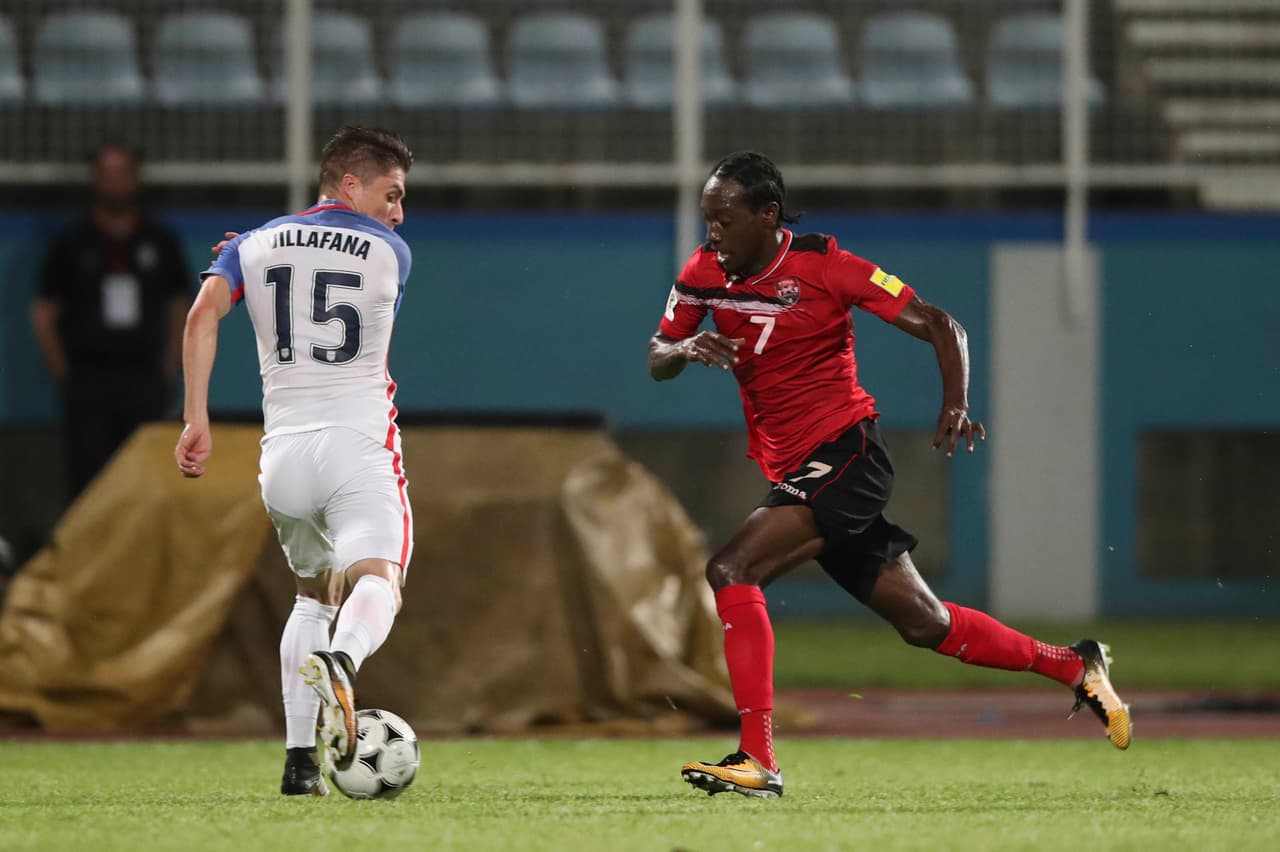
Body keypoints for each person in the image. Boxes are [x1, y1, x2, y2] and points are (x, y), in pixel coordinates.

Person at [649, 152, 1131, 800]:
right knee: (925, 625)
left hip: (846, 454)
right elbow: (657, 356)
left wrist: (956, 401)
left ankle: (758, 759)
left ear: (766, 216)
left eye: (723, 219)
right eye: (706, 219)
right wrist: (682, 348)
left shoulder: (826, 267)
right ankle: (1076, 666)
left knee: (731, 569)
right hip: (800, 469)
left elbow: (939, 322)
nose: (711, 234)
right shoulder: (704, 275)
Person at [175, 126, 415, 797]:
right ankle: (344, 659)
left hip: (280, 458)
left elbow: (201, 316)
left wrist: (196, 417)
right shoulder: (393, 252)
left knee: (312, 593)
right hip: (356, 445)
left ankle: (299, 764)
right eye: (390, 193)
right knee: (378, 581)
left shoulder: (250, 245)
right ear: (348, 184)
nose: (398, 211)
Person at [32, 143, 191, 502]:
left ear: (136, 178)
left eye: (123, 173)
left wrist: (168, 368)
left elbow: (179, 308)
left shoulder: (160, 241)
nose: (116, 183)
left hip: (143, 378)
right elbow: (44, 314)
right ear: (95, 179)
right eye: (108, 174)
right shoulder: (70, 243)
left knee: (145, 479)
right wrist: (66, 375)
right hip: (87, 379)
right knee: (87, 479)